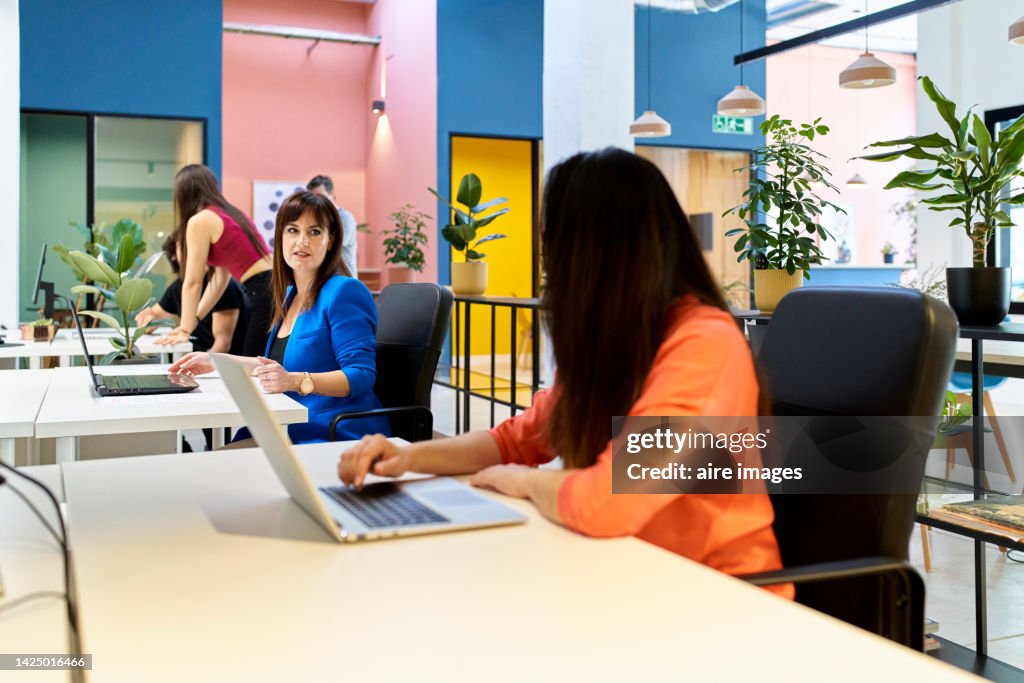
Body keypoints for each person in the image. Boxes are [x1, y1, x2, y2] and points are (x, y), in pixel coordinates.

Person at [338, 148, 791, 595]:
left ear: (593, 257)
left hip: (720, 601)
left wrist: (524, 480)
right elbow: (514, 440)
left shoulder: (704, 343)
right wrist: (407, 457)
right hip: (626, 573)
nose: (547, 268)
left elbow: (605, 504)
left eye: (552, 249)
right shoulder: (620, 340)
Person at [169, 191, 389, 445]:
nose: (302, 241)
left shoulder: (344, 291)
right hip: (288, 423)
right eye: (292, 231)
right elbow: (274, 368)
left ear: (331, 241)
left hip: (333, 430)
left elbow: (361, 375)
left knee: (221, 466)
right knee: (218, 463)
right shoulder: (289, 295)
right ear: (280, 238)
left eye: (314, 232)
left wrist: (296, 381)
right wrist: (216, 361)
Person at [157, 164, 273, 357]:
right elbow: (220, 279)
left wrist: (185, 330)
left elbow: (193, 282)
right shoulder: (231, 213)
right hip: (272, 286)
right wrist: (191, 322)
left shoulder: (200, 220)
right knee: (259, 362)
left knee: (255, 365)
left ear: (183, 195)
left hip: (262, 289)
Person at [135, 234, 248, 354]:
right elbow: (155, 314)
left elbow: (222, 344)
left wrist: (200, 365)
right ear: (174, 254)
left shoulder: (225, 287)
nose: (194, 249)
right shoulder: (177, 287)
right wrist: (147, 320)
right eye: (185, 246)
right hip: (199, 357)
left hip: (224, 363)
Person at [307, 174, 358, 277]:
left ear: (331, 194)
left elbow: (335, 244)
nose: (317, 201)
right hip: (325, 279)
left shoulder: (345, 217)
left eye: (321, 196)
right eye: (313, 197)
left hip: (345, 279)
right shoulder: (317, 219)